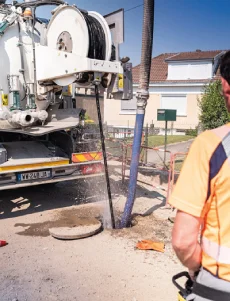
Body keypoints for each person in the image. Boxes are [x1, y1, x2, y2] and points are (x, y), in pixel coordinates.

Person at [169, 50, 230, 301]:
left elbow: (183, 241)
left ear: (225, 87)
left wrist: (195, 268)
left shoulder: (212, 145)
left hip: (219, 286)